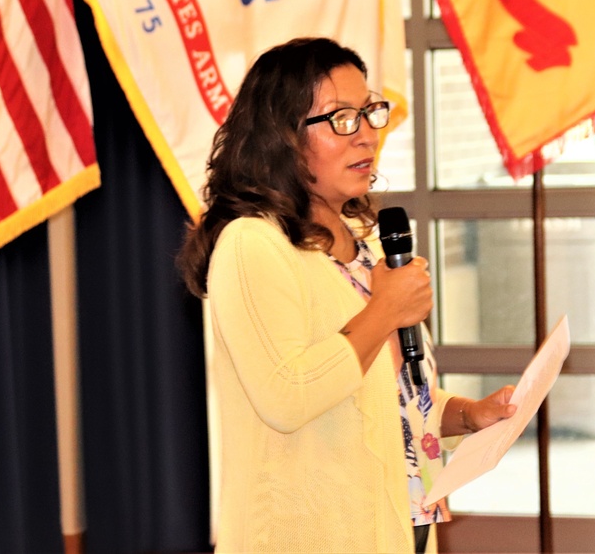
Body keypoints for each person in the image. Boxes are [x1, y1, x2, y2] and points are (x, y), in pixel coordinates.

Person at [177, 37, 516, 553]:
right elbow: (289, 396)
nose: (366, 136)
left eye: (368, 113)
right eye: (341, 119)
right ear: (281, 137)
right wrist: (385, 310)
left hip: (394, 530)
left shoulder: (365, 241)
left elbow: (386, 394)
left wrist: (468, 416)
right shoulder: (252, 244)